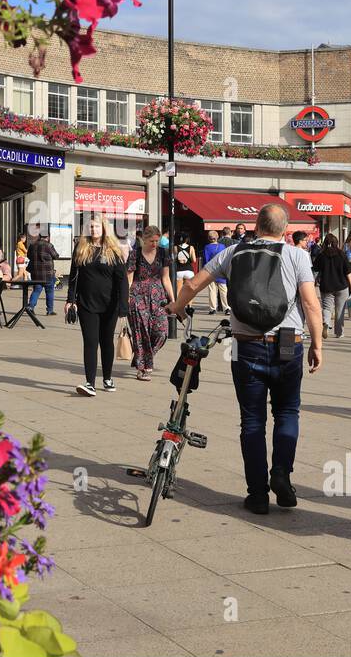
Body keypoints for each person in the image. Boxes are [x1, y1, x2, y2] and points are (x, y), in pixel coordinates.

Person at [166, 202, 323, 515]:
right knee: (288, 411)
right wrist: (317, 344)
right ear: (285, 230)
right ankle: (281, 473)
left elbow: (194, 284)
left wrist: (177, 307)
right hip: (289, 341)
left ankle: (257, 495)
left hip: (244, 343)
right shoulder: (297, 255)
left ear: (256, 225)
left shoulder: (233, 252)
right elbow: (311, 304)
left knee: (252, 420)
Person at [66, 215, 129, 396]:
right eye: (91, 227)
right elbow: (73, 277)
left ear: (104, 229)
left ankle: (107, 378)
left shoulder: (113, 251)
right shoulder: (81, 248)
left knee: (106, 342)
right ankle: (90, 383)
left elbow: (122, 281)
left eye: (97, 227)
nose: (93, 230)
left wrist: (123, 307)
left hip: (110, 305)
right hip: (86, 304)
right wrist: (71, 300)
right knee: (90, 342)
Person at [125, 225, 174, 381]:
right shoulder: (135, 254)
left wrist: (173, 300)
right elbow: (129, 278)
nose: (154, 244)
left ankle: (144, 357)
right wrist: (126, 297)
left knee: (162, 332)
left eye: (157, 241)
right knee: (141, 334)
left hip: (158, 296)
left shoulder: (163, 253)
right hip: (138, 296)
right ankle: (144, 367)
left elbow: (166, 278)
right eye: (152, 241)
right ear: (144, 239)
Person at [313, 233, 351, 339]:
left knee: (327, 308)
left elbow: (315, 269)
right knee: (339, 310)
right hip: (342, 286)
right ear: (337, 243)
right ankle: (339, 332)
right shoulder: (342, 254)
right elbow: (348, 272)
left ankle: (326, 323)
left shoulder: (321, 255)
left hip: (326, 286)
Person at [26, 229, 60, 316]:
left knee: (36, 290)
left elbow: (29, 256)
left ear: (40, 236)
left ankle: (31, 307)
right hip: (48, 273)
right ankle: (50, 310)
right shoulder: (49, 245)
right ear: (48, 237)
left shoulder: (32, 245)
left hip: (36, 273)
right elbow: (56, 256)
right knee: (49, 291)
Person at [202, 229, 228, 314]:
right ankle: (226, 307)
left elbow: (206, 260)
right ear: (217, 237)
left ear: (209, 238)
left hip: (211, 271)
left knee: (212, 290)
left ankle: (213, 308)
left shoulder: (207, 247)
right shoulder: (222, 246)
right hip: (221, 270)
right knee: (223, 290)